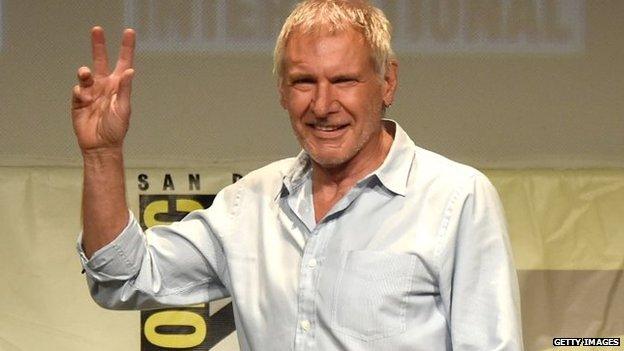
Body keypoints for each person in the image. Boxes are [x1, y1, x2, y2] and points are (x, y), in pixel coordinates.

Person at [72, 1, 523, 350]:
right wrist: (102, 153)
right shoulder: (247, 205)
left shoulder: (456, 197)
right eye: (304, 81)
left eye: (344, 80)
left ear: (387, 82)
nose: (323, 105)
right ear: (282, 91)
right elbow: (122, 278)